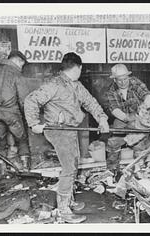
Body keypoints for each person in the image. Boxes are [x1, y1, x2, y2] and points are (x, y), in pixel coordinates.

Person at [24, 52, 109, 223]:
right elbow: (30, 100)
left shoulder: (75, 84)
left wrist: (102, 118)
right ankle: (63, 210)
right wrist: (34, 123)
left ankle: (68, 200)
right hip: (58, 130)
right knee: (69, 168)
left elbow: (90, 102)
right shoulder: (54, 84)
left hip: (70, 129)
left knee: (73, 165)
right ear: (78, 67)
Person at [0, 50, 31, 174]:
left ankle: (3, 171)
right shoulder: (16, 74)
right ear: (18, 61)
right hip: (11, 113)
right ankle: (26, 170)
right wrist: (27, 117)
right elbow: (23, 99)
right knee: (22, 140)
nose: (21, 68)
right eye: (22, 64)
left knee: (1, 141)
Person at [104, 63, 150, 171]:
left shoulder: (135, 82)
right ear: (114, 80)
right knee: (113, 142)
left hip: (139, 118)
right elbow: (115, 110)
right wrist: (129, 119)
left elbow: (149, 96)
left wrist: (144, 105)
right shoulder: (111, 91)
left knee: (139, 144)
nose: (123, 82)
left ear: (128, 76)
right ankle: (112, 170)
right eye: (119, 80)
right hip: (122, 119)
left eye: (125, 79)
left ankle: (140, 170)